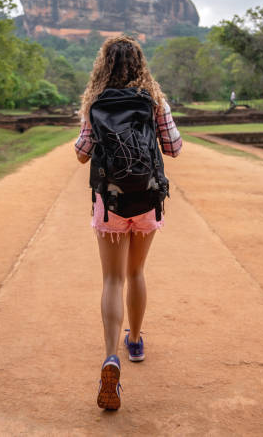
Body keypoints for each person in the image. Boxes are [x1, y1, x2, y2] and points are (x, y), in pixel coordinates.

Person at [74, 36, 182, 410]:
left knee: (112, 279)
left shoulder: (95, 103)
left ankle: (110, 356)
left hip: (110, 201)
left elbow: (82, 155)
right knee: (136, 274)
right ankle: (134, 340)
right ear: (140, 65)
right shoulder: (154, 102)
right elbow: (173, 147)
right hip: (148, 199)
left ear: (103, 65)